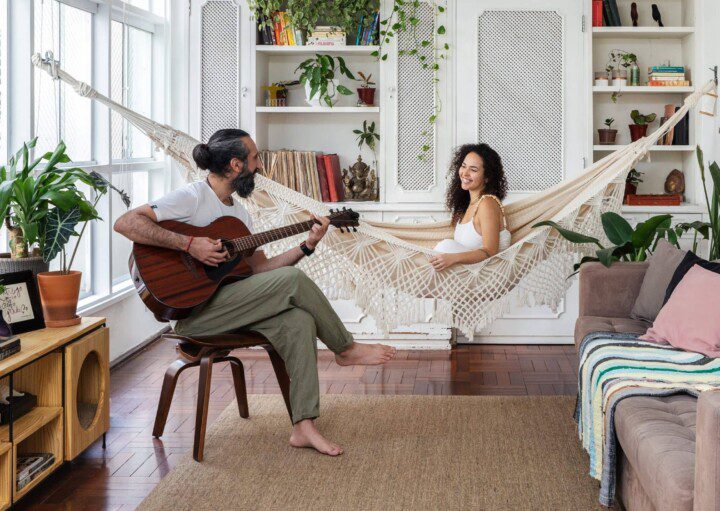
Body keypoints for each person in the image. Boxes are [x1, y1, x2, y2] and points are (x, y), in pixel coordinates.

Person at [114, 128, 396, 457]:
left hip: (230, 308)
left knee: (298, 322)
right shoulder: (192, 197)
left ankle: (303, 426)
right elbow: (126, 222)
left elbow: (261, 270)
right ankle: (345, 348)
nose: (260, 166)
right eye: (255, 158)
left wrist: (308, 245)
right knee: (292, 281)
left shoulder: (238, 214)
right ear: (235, 165)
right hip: (193, 314)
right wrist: (189, 244)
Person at [430, 143, 511, 271]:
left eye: (473, 170)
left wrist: (453, 258)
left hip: (483, 279)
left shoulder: (487, 204)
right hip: (464, 279)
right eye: (463, 166)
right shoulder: (469, 205)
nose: (465, 173)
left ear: (487, 177)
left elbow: (490, 251)